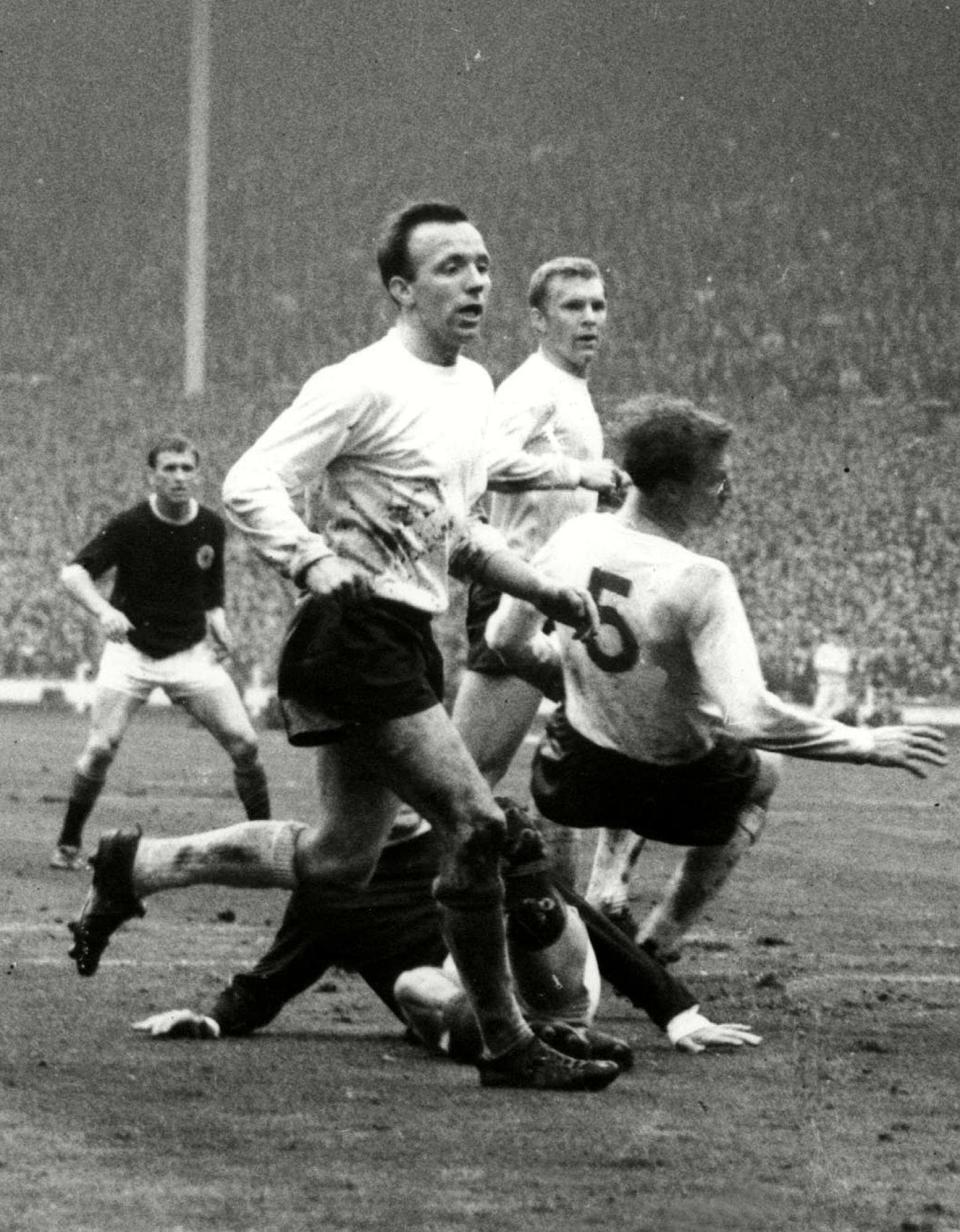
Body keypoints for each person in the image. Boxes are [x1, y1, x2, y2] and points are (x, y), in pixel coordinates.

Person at [68, 201, 629, 1091]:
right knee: (478, 826)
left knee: (340, 859)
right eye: (450, 267)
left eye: (482, 263)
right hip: (349, 634)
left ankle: (136, 865)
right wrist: (311, 556)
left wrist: (540, 585)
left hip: (402, 632)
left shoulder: (475, 388)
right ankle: (508, 1042)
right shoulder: (360, 382)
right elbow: (252, 480)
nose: (476, 280)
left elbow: (455, 532)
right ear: (402, 289)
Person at [485, 396, 947, 964]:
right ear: (674, 492)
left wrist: (568, 683)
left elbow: (504, 639)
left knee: (625, 711)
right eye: (716, 482)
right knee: (762, 770)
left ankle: (589, 909)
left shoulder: (575, 536)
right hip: (677, 787)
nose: (726, 494)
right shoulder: (701, 578)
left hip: (573, 777)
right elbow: (750, 716)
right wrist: (865, 743)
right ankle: (661, 938)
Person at [130, 802, 760, 1060]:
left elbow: (597, 930)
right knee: (417, 982)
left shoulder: (467, 839)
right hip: (460, 1017)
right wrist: (211, 1018)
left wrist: (679, 1015)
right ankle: (527, 1039)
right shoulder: (331, 888)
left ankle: (542, 1008)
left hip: (551, 981)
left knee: (530, 893)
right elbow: (268, 981)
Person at [448, 256, 613, 882]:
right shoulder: (533, 385)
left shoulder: (571, 387)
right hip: (517, 596)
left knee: (601, 746)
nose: (590, 318)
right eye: (574, 306)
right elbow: (487, 460)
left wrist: (599, 492)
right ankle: (396, 907)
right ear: (539, 318)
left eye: (597, 305)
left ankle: (591, 911)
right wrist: (579, 473)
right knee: (467, 780)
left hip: (559, 597)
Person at [51, 434, 270, 871]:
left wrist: (219, 619)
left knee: (246, 744)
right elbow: (73, 574)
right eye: (169, 468)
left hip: (190, 654)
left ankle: (265, 841)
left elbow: (212, 588)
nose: (179, 477)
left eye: (187, 468)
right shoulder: (131, 525)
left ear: (198, 474)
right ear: (151, 475)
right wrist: (104, 611)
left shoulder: (210, 525)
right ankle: (68, 842)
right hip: (131, 652)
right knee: (100, 748)